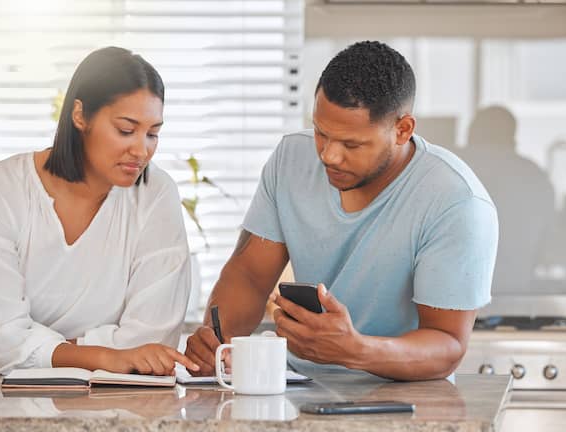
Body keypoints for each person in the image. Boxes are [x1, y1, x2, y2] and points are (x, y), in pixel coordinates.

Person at [184, 41, 498, 381]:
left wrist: (355, 350)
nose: (329, 156)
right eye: (321, 132)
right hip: (297, 386)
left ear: (402, 130)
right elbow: (249, 274)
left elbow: (447, 344)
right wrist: (216, 340)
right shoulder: (291, 158)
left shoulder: (456, 201)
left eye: (352, 144)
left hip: (404, 399)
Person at [0, 47, 198, 376]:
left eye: (153, 134)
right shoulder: (1, 188)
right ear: (80, 115)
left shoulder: (156, 193)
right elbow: (2, 339)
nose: (141, 150)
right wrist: (108, 356)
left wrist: (23, 351)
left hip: (113, 399)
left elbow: (151, 341)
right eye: (126, 130)